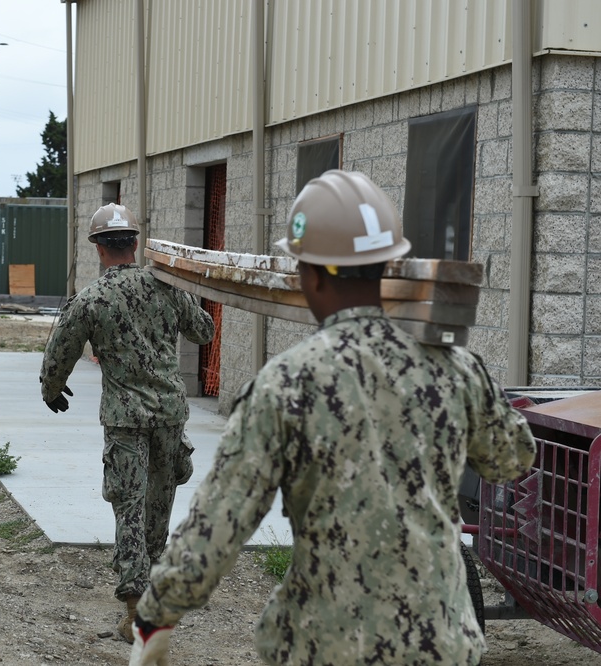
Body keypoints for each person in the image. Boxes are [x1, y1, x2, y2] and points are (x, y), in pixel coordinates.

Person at [128, 170, 537, 665]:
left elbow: (219, 523)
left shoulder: (287, 383)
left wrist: (157, 614)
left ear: (311, 275)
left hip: (327, 645)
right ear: (389, 266)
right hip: (442, 643)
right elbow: (512, 459)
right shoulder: (456, 368)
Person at [39, 202, 216, 642]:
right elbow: (205, 331)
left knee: (128, 508)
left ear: (99, 250)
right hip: (169, 416)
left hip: (125, 421)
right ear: (135, 244)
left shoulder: (91, 299)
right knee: (158, 506)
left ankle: (136, 607)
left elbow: (59, 352)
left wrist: (52, 389)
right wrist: (185, 284)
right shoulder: (167, 287)